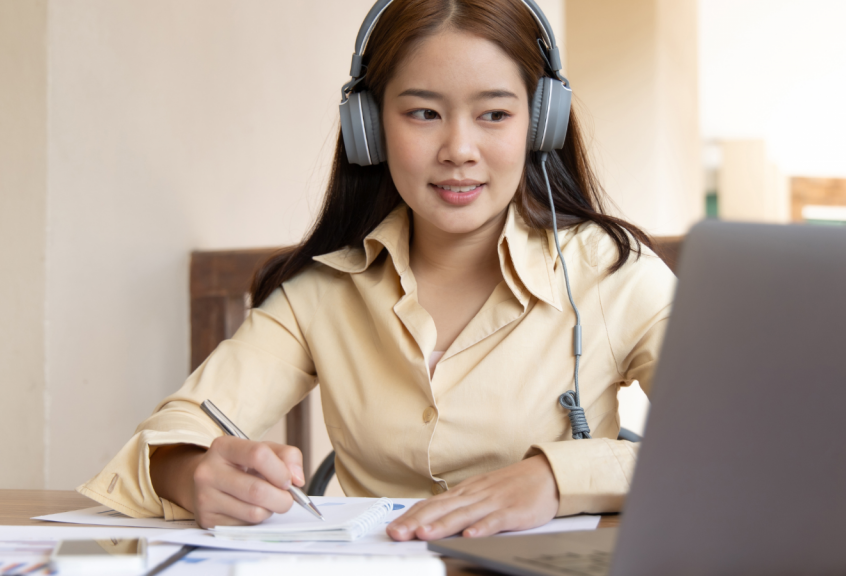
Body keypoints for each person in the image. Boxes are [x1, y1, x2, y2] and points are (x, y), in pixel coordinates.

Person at [78, 0, 676, 542]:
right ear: (369, 128)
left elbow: (740, 444)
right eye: (422, 113)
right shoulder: (321, 293)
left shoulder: (614, 274)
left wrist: (556, 478)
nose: (459, 149)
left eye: (494, 114)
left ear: (539, 124)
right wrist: (190, 472)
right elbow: (172, 432)